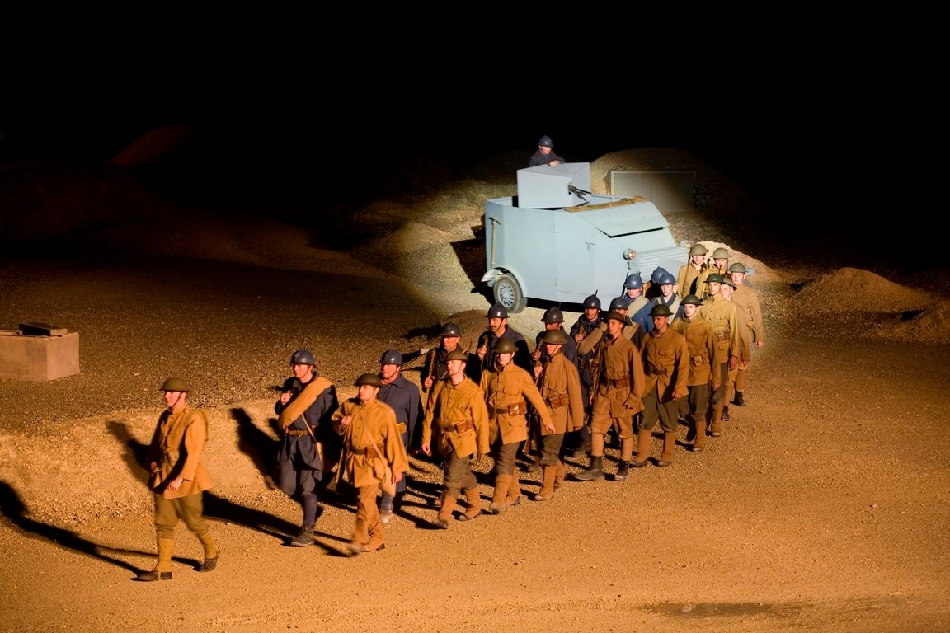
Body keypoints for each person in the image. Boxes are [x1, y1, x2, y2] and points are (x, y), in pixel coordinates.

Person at [137, 377, 217, 581]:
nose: (166, 396)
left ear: (183, 395)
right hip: (164, 477)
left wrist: (181, 478)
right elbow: (155, 446)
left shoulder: (193, 418)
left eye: (171, 393)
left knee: (194, 521)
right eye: (166, 392)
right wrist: (152, 466)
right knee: (163, 523)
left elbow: (194, 453)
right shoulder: (165, 417)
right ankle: (163, 568)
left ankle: (211, 551)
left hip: (187, 481)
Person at [331, 373, 408, 555]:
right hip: (353, 462)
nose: (361, 390)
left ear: (376, 391)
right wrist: (342, 424)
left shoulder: (384, 412)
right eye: (360, 387)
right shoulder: (349, 405)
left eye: (365, 387)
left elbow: (394, 441)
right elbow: (335, 423)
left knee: (365, 501)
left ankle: (357, 539)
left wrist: (397, 467)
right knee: (364, 502)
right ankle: (378, 537)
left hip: (374, 464)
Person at [480, 338, 554, 513]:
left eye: (505, 354)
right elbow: (479, 398)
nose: (501, 356)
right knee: (500, 458)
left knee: (505, 460)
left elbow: (535, 397)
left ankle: (497, 500)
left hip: (513, 425)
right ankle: (514, 494)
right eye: (499, 353)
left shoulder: (521, 375)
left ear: (512, 355)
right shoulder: (487, 374)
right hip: (493, 425)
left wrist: (547, 419)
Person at [275, 348, 338, 547]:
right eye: (294, 365)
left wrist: (329, 447)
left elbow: (332, 417)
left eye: (300, 365)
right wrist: (281, 403)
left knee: (307, 488)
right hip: (290, 442)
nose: (296, 368)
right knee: (286, 484)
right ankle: (313, 510)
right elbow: (281, 412)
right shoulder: (290, 384)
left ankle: (307, 532)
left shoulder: (324, 388)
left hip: (311, 443)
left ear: (310, 367)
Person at [572, 310, 645, 482]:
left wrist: (634, 398)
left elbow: (638, 376)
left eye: (614, 323)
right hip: (604, 393)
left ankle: (624, 464)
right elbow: (597, 368)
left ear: (621, 326)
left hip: (622, 394)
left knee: (624, 430)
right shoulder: (604, 344)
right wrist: (593, 391)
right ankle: (595, 467)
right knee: (596, 427)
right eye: (609, 323)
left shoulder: (628, 348)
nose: (610, 326)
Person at [420, 348, 490, 527]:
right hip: (443, 439)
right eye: (448, 362)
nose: (449, 365)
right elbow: (430, 413)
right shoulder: (440, 386)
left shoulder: (472, 391)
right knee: (462, 474)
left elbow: (481, 421)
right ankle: (475, 505)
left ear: (463, 365)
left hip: (464, 440)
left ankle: (443, 516)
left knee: (451, 478)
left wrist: (482, 448)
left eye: (453, 362)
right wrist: (426, 438)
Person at [633, 304, 689, 467]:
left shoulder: (678, 339)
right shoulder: (647, 338)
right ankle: (642, 455)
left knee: (669, 421)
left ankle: (667, 455)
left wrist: (679, 388)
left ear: (666, 319)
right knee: (645, 419)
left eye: (658, 319)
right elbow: (640, 361)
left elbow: (683, 366)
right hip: (649, 384)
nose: (655, 322)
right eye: (654, 319)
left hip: (668, 385)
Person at [532, 329, 585, 500]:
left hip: (558, 415)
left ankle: (546, 489)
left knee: (549, 450)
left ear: (559, 346)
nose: (548, 347)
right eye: (548, 344)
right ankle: (559, 477)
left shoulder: (567, 366)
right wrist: (536, 376)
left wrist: (577, 420)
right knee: (544, 448)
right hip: (542, 414)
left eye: (552, 344)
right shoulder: (544, 364)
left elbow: (575, 394)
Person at [525, 305, 577, 472]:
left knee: (556, 436)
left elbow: (569, 369)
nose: (548, 327)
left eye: (551, 324)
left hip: (558, 393)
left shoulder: (568, 343)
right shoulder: (542, 338)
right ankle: (541, 458)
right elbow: (541, 361)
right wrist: (535, 359)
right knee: (538, 429)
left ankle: (554, 468)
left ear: (559, 324)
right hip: (542, 387)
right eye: (546, 323)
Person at [376, 348, 422, 524]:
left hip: (397, 436)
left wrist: (414, 442)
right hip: (376, 436)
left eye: (389, 365)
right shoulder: (375, 384)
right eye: (383, 364)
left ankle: (386, 505)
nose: (385, 368)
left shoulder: (409, 389)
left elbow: (415, 416)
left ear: (398, 368)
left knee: (392, 468)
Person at [671, 295, 716, 452]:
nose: (688, 310)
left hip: (699, 372)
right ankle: (693, 425)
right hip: (682, 372)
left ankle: (700, 439)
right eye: (685, 307)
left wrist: (716, 377)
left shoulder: (705, 326)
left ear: (697, 308)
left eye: (691, 307)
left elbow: (714, 353)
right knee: (682, 407)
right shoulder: (677, 324)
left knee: (699, 407)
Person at [699, 273, 740, 438]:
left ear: (720, 286)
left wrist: (734, 354)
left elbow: (735, 332)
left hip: (722, 352)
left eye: (715, 284)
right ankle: (704, 420)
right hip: (705, 352)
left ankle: (716, 423)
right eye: (709, 284)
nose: (711, 287)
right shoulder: (702, 305)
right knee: (705, 387)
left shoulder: (730, 307)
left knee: (719, 388)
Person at [568, 292, 603, 457]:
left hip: (596, 371)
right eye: (587, 308)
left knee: (597, 407)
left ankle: (598, 441)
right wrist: (574, 338)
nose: (589, 311)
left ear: (598, 311)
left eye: (593, 309)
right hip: (580, 370)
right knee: (579, 405)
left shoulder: (602, 328)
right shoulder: (578, 325)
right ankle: (584, 439)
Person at [727, 262, 765, 408]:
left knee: (742, 364)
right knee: (729, 363)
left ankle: (739, 393)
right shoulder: (726, 289)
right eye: (734, 275)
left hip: (745, 333)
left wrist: (760, 337)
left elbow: (757, 315)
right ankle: (725, 396)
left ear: (744, 277)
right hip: (729, 332)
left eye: (739, 275)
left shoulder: (750, 293)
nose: (736, 277)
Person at [474, 303, 532, 384]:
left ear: (504, 321)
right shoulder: (485, 337)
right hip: (487, 383)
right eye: (489, 319)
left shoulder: (517, 340)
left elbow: (525, 369)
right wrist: (479, 358)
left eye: (494, 320)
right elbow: (479, 367)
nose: (491, 323)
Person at [421, 322, 464, 410]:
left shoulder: (465, 357)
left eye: (448, 337)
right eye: (443, 337)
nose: (444, 341)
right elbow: (424, 373)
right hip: (435, 404)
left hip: (455, 406)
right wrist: (426, 382)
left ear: (458, 339)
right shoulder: (433, 355)